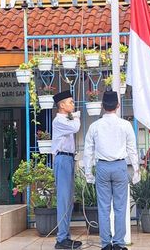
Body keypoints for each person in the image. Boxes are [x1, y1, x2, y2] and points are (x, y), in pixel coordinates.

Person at [83, 91, 140, 250]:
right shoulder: (126, 125)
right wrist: (136, 170)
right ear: (118, 106)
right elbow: (132, 150)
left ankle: (106, 244)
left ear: (102, 106)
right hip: (120, 166)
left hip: (102, 167)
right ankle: (119, 244)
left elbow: (88, 151)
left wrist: (88, 172)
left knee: (103, 207)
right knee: (120, 207)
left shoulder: (94, 126)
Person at [50, 90, 82, 249]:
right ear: (61, 105)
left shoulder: (66, 119)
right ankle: (61, 239)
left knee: (68, 199)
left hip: (68, 158)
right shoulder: (59, 120)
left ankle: (65, 236)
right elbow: (76, 127)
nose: (73, 104)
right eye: (70, 102)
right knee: (63, 199)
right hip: (62, 159)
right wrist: (76, 115)